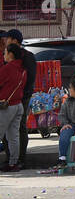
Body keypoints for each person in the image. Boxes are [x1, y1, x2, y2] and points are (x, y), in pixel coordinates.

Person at [4, 30, 36, 169]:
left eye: (8, 39)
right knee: (9, 130)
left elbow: (30, 78)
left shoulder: (26, 56)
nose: (6, 41)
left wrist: (21, 92)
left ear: (15, 40)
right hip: (10, 98)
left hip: (21, 97)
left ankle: (19, 159)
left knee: (19, 127)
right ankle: (11, 158)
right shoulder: (7, 58)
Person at [0, 43, 26, 173]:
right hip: (18, 105)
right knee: (13, 136)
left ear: (10, 54)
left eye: (5, 52)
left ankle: (12, 162)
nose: (3, 55)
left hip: (6, 106)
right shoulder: (22, 69)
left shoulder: (8, 68)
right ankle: (13, 163)